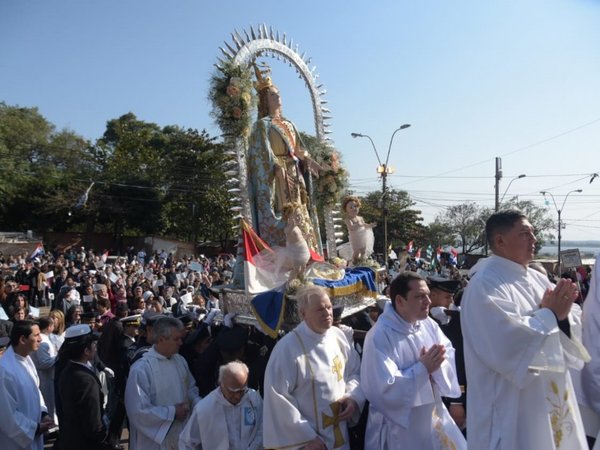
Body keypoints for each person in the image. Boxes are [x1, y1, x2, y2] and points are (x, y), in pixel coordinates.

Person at [461, 209, 588, 450]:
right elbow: (506, 344)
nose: (534, 239)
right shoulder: (485, 284)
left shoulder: (536, 278)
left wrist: (560, 318)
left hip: (549, 400)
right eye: (525, 233)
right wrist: (550, 315)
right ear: (500, 240)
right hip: (512, 409)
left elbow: (569, 318)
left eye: (533, 233)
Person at [360, 271, 466, 449]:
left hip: (431, 415)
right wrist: (423, 369)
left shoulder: (426, 324)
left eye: (427, 295)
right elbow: (383, 389)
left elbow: (445, 352)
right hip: (400, 427)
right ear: (400, 301)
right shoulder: (379, 335)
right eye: (419, 296)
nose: (428, 301)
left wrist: (436, 368)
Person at [263, 285, 364, 450]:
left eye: (329, 307)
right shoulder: (287, 348)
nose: (327, 313)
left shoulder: (338, 336)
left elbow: (355, 371)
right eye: (320, 309)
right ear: (303, 314)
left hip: (340, 433)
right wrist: (305, 438)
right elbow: (278, 399)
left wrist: (353, 398)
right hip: (310, 443)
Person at [247, 63, 323, 254]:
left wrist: (310, 162)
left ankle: (305, 249)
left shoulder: (288, 123)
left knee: (299, 208)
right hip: (277, 175)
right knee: (284, 211)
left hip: (293, 171)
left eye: (278, 93)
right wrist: (274, 167)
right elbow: (261, 152)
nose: (277, 96)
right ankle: (286, 248)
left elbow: (298, 149)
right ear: (265, 100)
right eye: (272, 94)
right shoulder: (262, 125)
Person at [124, 316, 200, 450]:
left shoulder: (180, 361)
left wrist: (200, 404)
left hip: (181, 434)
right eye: (176, 339)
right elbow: (137, 411)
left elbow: (190, 389)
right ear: (161, 339)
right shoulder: (142, 369)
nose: (181, 343)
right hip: (154, 442)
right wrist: (172, 412)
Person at [179, 360, 263, 450]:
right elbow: (186, 443)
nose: (238, 396)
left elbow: (262, 427)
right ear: (221, 384)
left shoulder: (253, 399)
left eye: (242, 391)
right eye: (233, 392)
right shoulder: (204, 409)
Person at [0, 320, 54, 450]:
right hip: (15, 441)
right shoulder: (5, 370)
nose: (40, 339)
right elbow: (6, 413)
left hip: (34, 433)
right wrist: (34, 428)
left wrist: (43, 413)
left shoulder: (27, 359)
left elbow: (35, 391)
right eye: (36, 335)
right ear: (23, 339)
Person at [57, 324, 108, 450]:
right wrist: (102, 438)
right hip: (85, 442)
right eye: (93, 345)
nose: (96, 348)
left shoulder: (67, 370)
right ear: (86, 351)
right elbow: (92, 420)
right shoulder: (85, 379)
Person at [427, 275, 467, 432]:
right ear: (433, 295)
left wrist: (456, 401)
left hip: (449, 396)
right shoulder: (419, 320)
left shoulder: (454, 322)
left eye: (451, 297)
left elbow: (458, 363)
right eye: (446, 297)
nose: (450, 302)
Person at [341, 196, 375, 264]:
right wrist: (358, 225)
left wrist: (370, 225)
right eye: (351, 207)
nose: (354, 208)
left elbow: (364, 225)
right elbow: (351, 228)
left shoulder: (360, 218)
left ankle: (363, 262)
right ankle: (354, 263)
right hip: (355, 238)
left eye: (355, 206)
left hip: (362, 236)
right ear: (346, 210)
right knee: (356, 252)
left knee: (363, 250)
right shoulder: (348, 219)